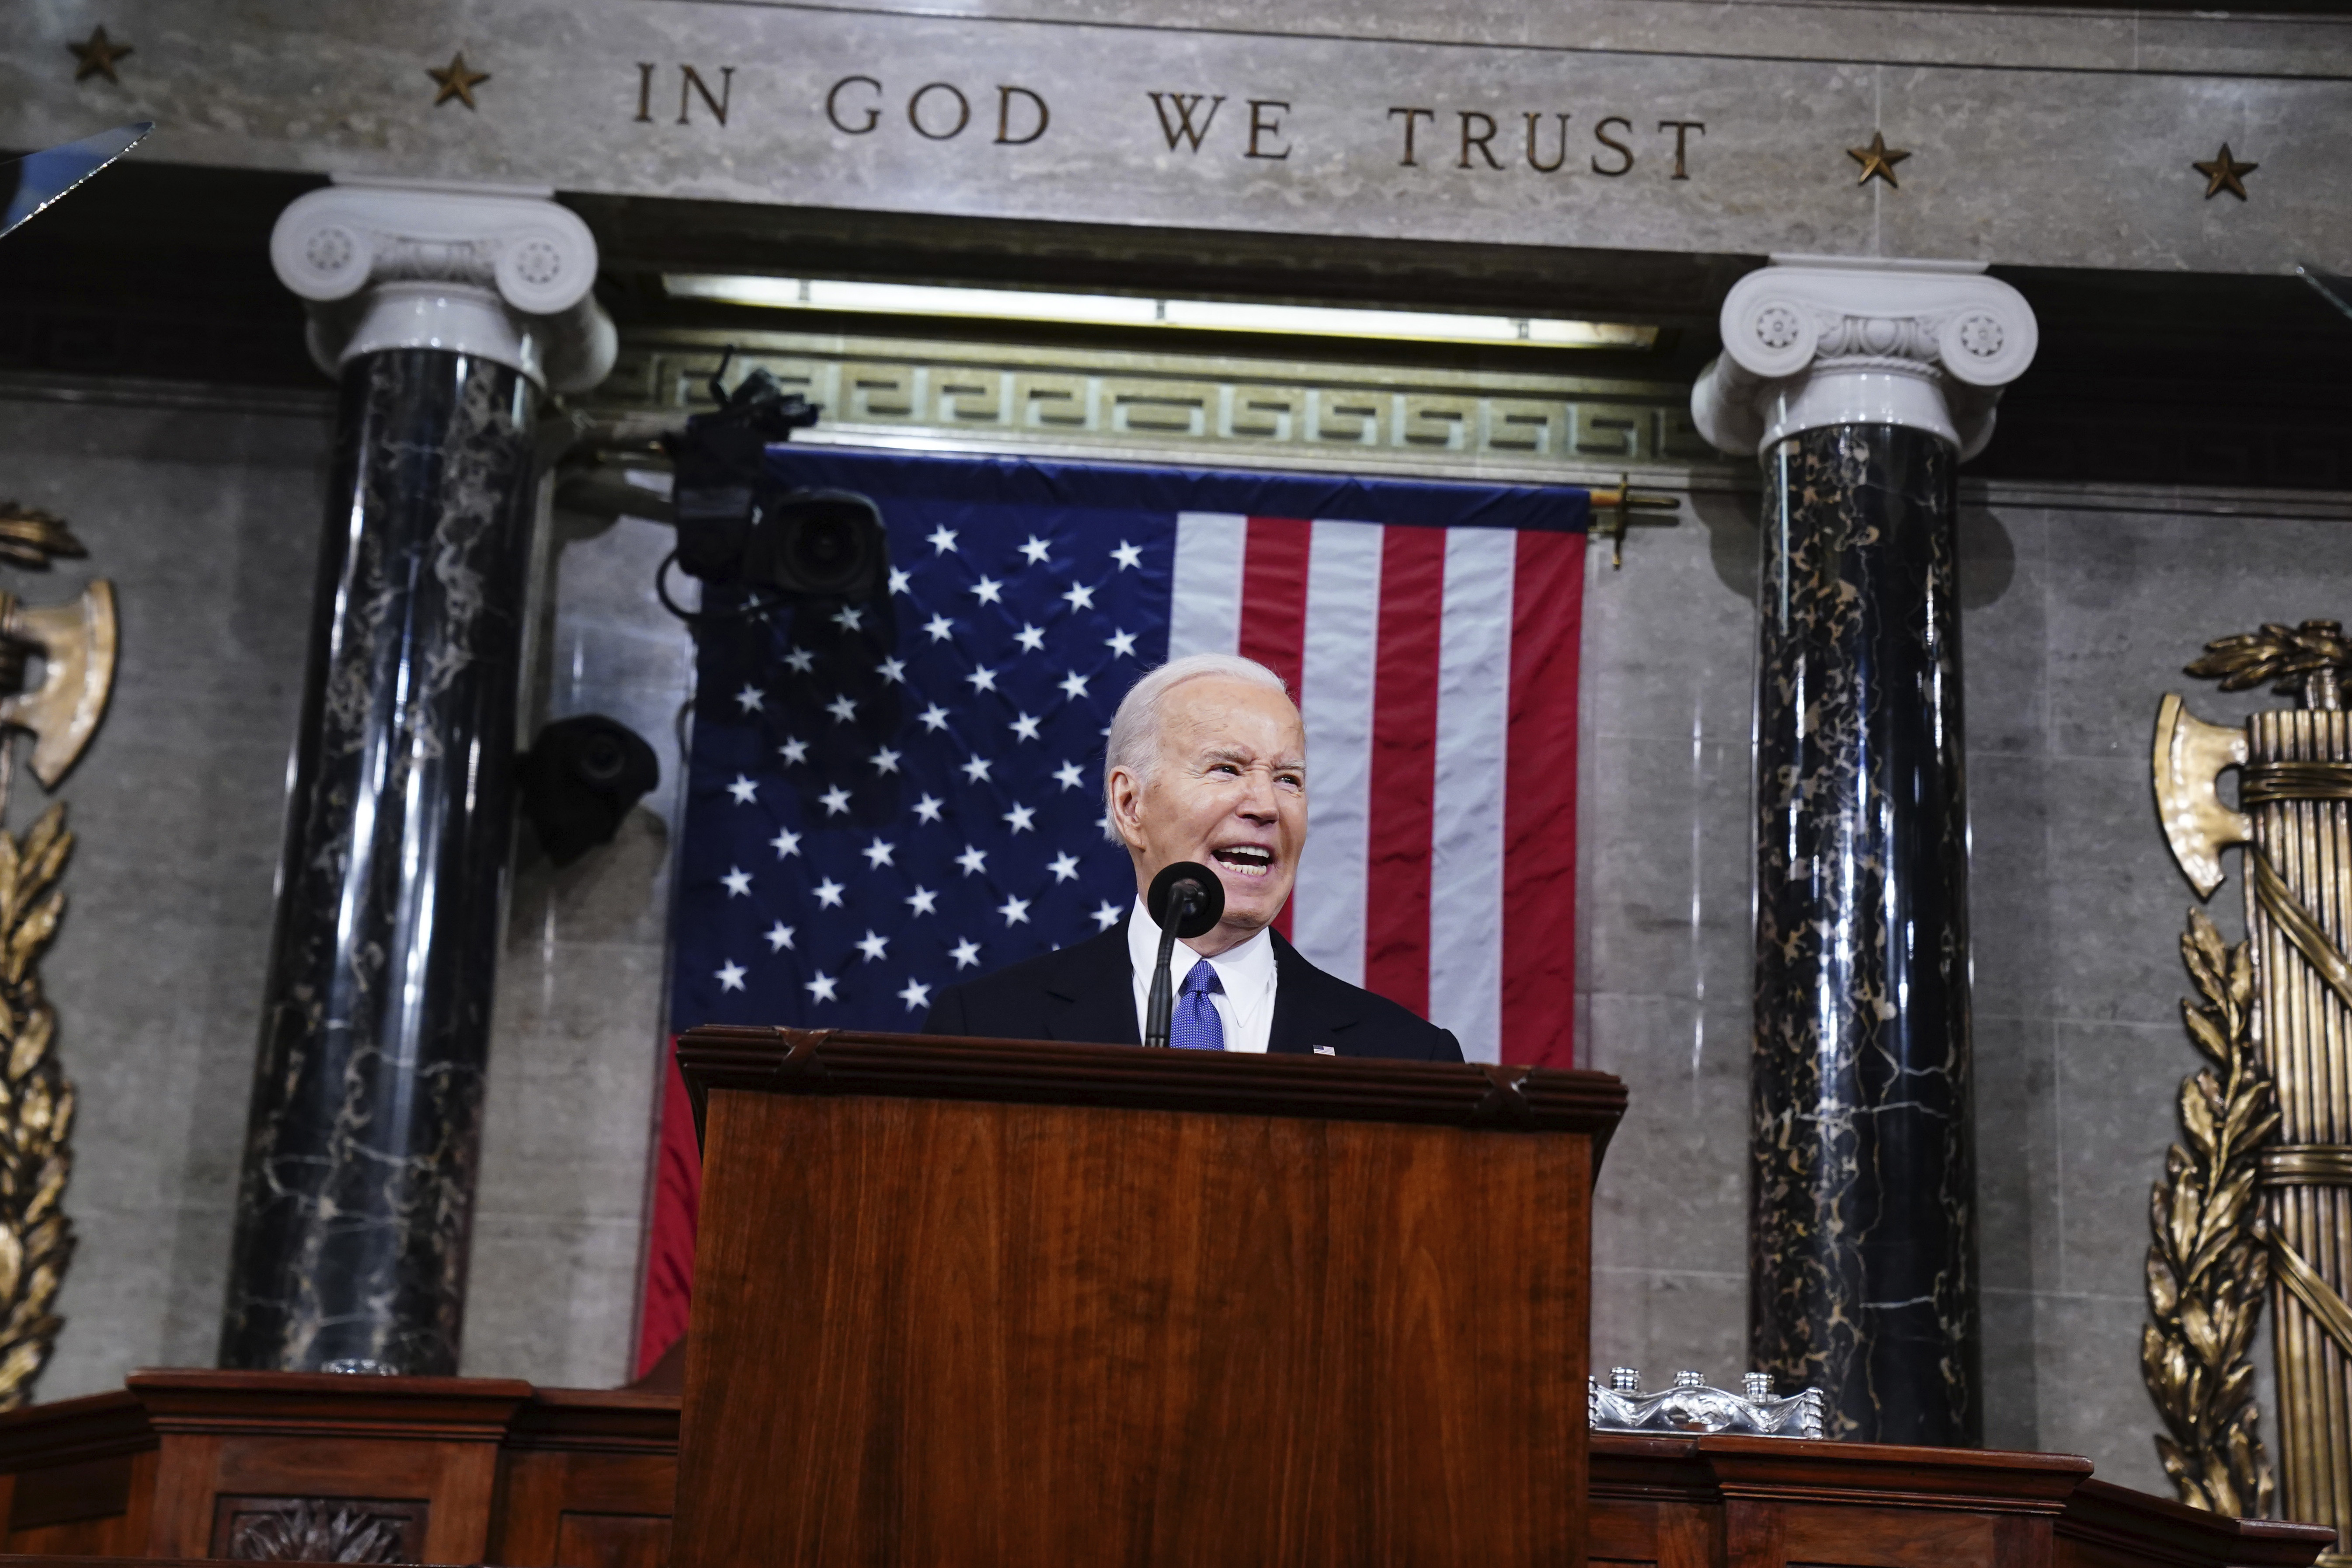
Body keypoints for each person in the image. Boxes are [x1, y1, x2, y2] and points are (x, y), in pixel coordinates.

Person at [922, 653, 1464, 1060]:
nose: (1266, 805)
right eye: (1226, 769)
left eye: (1287, 778)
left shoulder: (1409, 1056)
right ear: (1130, 804)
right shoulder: (985, 1029)